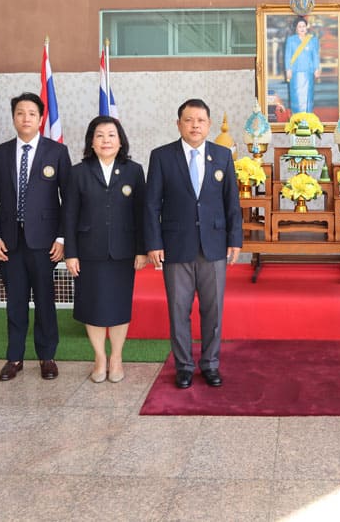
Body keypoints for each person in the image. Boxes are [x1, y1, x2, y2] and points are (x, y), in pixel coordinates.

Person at [145, 98, 242, 389]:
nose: (195, 125)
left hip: (214, 245)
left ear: (209, 125)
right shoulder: (162, 156)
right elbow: (151, 205)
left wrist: (235, 239)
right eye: (188, 120)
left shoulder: (222, 155)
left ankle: (210, 364)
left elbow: (232, 202)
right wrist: (154, 242)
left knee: (213, 311)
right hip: (176, 245)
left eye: (200, 120)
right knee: (179, 310)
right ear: (178, 124)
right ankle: (184, 366)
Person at [0, 93, 71, 382]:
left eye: (32, 113)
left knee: (45, 300)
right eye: (20, 113)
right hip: (9, 243)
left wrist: (61, 238)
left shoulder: (57, 152)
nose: (26, 118)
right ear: (13, 117)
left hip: (45, 243)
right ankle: (14, 358)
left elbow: (68, 199)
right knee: (15, 302)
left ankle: (47, 357)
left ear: (41, 118)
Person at [64, 116, 148, 383]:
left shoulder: (134, 171)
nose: (106, 140)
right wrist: (70, 253)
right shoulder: (78, 172)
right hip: (89, 251)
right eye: (99, 135)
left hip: (124, 251)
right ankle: (100, 357)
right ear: (91, 141)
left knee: (119, 306)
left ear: (120, 140)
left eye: (111, 135)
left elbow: (141, 213)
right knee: (93, 306)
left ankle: (117, 357)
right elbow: (69, 215)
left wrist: (142, 249)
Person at [284, 16, 320, 114]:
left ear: (306, 27)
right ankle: (297, 117)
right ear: (296, 28)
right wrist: (288, 69)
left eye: (303, 26)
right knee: (296, 95)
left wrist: (316, 68)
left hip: (308, 72)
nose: (302, 28)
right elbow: (288, 55)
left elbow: (315, 55)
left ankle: (308, 116)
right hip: (295, 72)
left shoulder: (312, 40)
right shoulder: (291, 40)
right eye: (299, 26)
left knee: (308, 94)